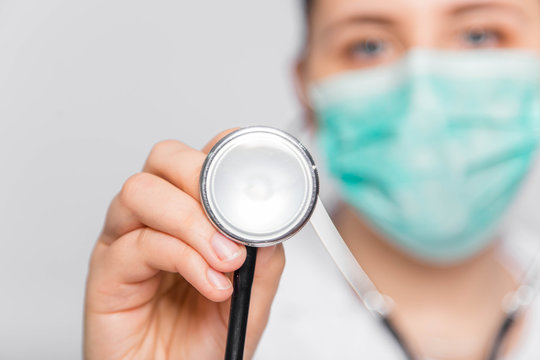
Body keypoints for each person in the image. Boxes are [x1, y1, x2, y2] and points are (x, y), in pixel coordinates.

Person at [84, 0, 540, 359]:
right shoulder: (212, 310)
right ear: (305, 88)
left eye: (480, 35)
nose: (423, 94)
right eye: (368, 46)